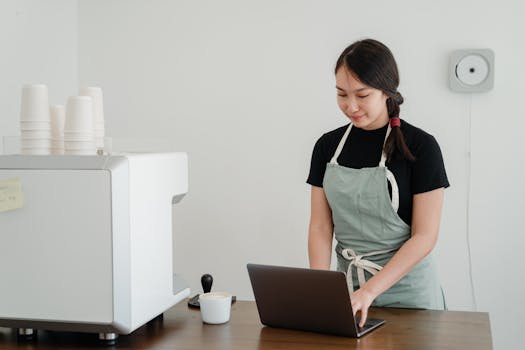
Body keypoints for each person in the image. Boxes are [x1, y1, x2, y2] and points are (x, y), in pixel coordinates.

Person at [307, 39, 449, 327]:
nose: (351, 106)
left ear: (386, 91)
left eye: (362, 95)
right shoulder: (327, 147)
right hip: (348, 293)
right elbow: (321, 226)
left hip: (410, 297)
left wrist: (369, 291)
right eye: (341, 94)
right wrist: (320, 289)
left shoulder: (421, 147)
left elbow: (425, 236)